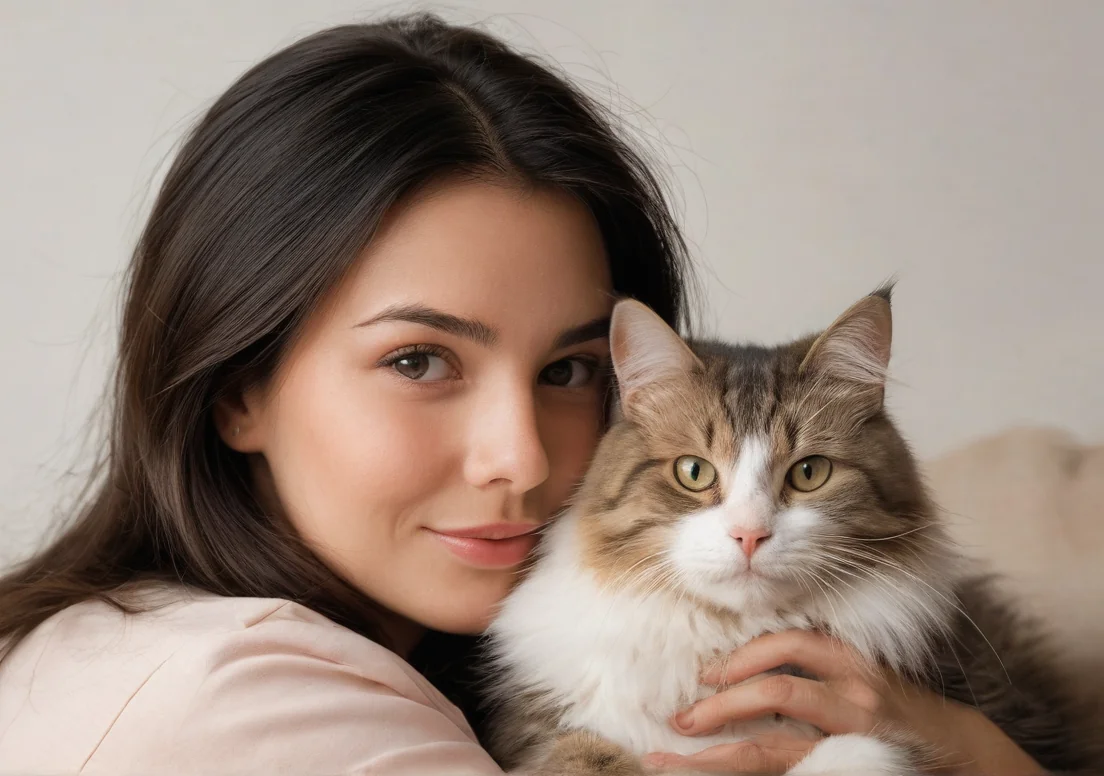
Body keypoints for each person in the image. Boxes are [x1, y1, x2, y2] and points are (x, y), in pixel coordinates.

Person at [0, 14, 1047, 775]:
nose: (528, 458)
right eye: (420, 360)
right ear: (238, 389)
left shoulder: (242, 640)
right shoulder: (250, 707)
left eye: (568, 371)